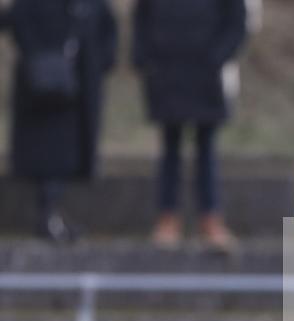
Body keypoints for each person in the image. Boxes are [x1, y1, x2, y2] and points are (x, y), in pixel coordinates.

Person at [132, 0, 246, 252]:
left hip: (206, 75)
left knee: (206, 149)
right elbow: (142, 17)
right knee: (170, 148)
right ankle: (167, 219)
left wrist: (217, 57)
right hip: (167, 72)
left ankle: (210, 219)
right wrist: (145, 60)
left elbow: (237, 23)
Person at [7, 0, 117, 242]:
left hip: (73, 89)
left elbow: (107, 30)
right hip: (43, 88)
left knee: (62, 156)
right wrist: (41, 61)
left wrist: (100, 62)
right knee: (48, 157)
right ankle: (49, 216)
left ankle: (52, 215)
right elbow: (15, 21)